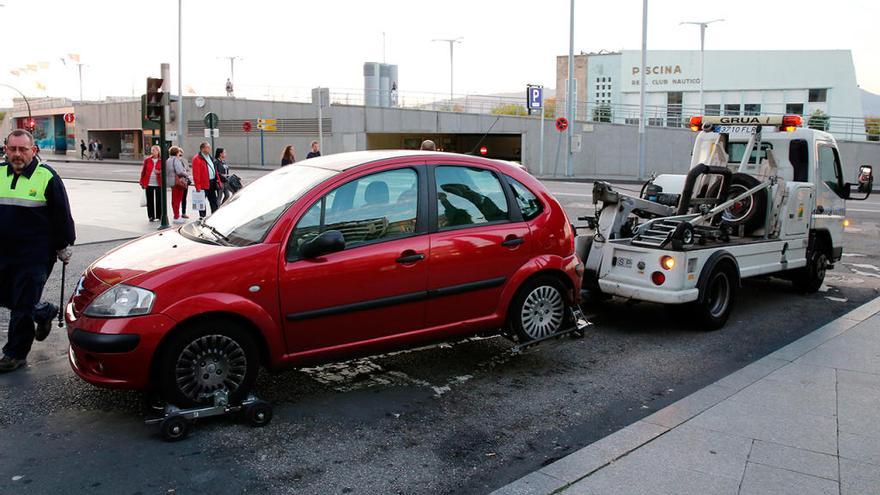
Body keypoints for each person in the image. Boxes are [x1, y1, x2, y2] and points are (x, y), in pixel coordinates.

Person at [0, 129, 75, 373]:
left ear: (34, 150)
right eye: (13, 149)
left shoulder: (47, 177)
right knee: (8, 296)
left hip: (35, 255)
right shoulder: (0, 173)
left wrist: (65, 245)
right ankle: (43, 311)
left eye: (23, 149)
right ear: (6, 149)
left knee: (22, 305)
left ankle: (15, 354)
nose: (17, 154)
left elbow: (62, 215)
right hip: (4, 252)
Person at [191, 142, 222, 217]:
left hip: (212, 182)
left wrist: (218, 181)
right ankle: (202, 217)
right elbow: (196, 173)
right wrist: (197, 186)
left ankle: (214, 215)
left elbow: (214, 170)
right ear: (203, 149)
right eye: (208, 147)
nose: (209, 149)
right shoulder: (197, 159)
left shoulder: (210, 157)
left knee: (213, 201)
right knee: (201, 202)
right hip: (203, 184)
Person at [139, 145, 163, 222]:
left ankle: (159, 216)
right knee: (150, 200)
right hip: (149, 183)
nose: (152, 152)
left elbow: (166, 171)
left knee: (159, 200)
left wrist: (160, 172)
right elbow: (143, 171)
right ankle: (151, 216)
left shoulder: (162, 160)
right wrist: (141, 181)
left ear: (158, 151)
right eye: (152, 150)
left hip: (158, 183)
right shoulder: (147, 160)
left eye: (154, 150)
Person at [167, 146, 191, 224]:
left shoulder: (168, 160)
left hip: (172, 181)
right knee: (177, 199)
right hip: (178, 182)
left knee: (174, 199)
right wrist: (186, 174)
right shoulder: (176, 160)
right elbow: (179, 171)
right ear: (177, 152)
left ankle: (176, 215)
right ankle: (176, 216)